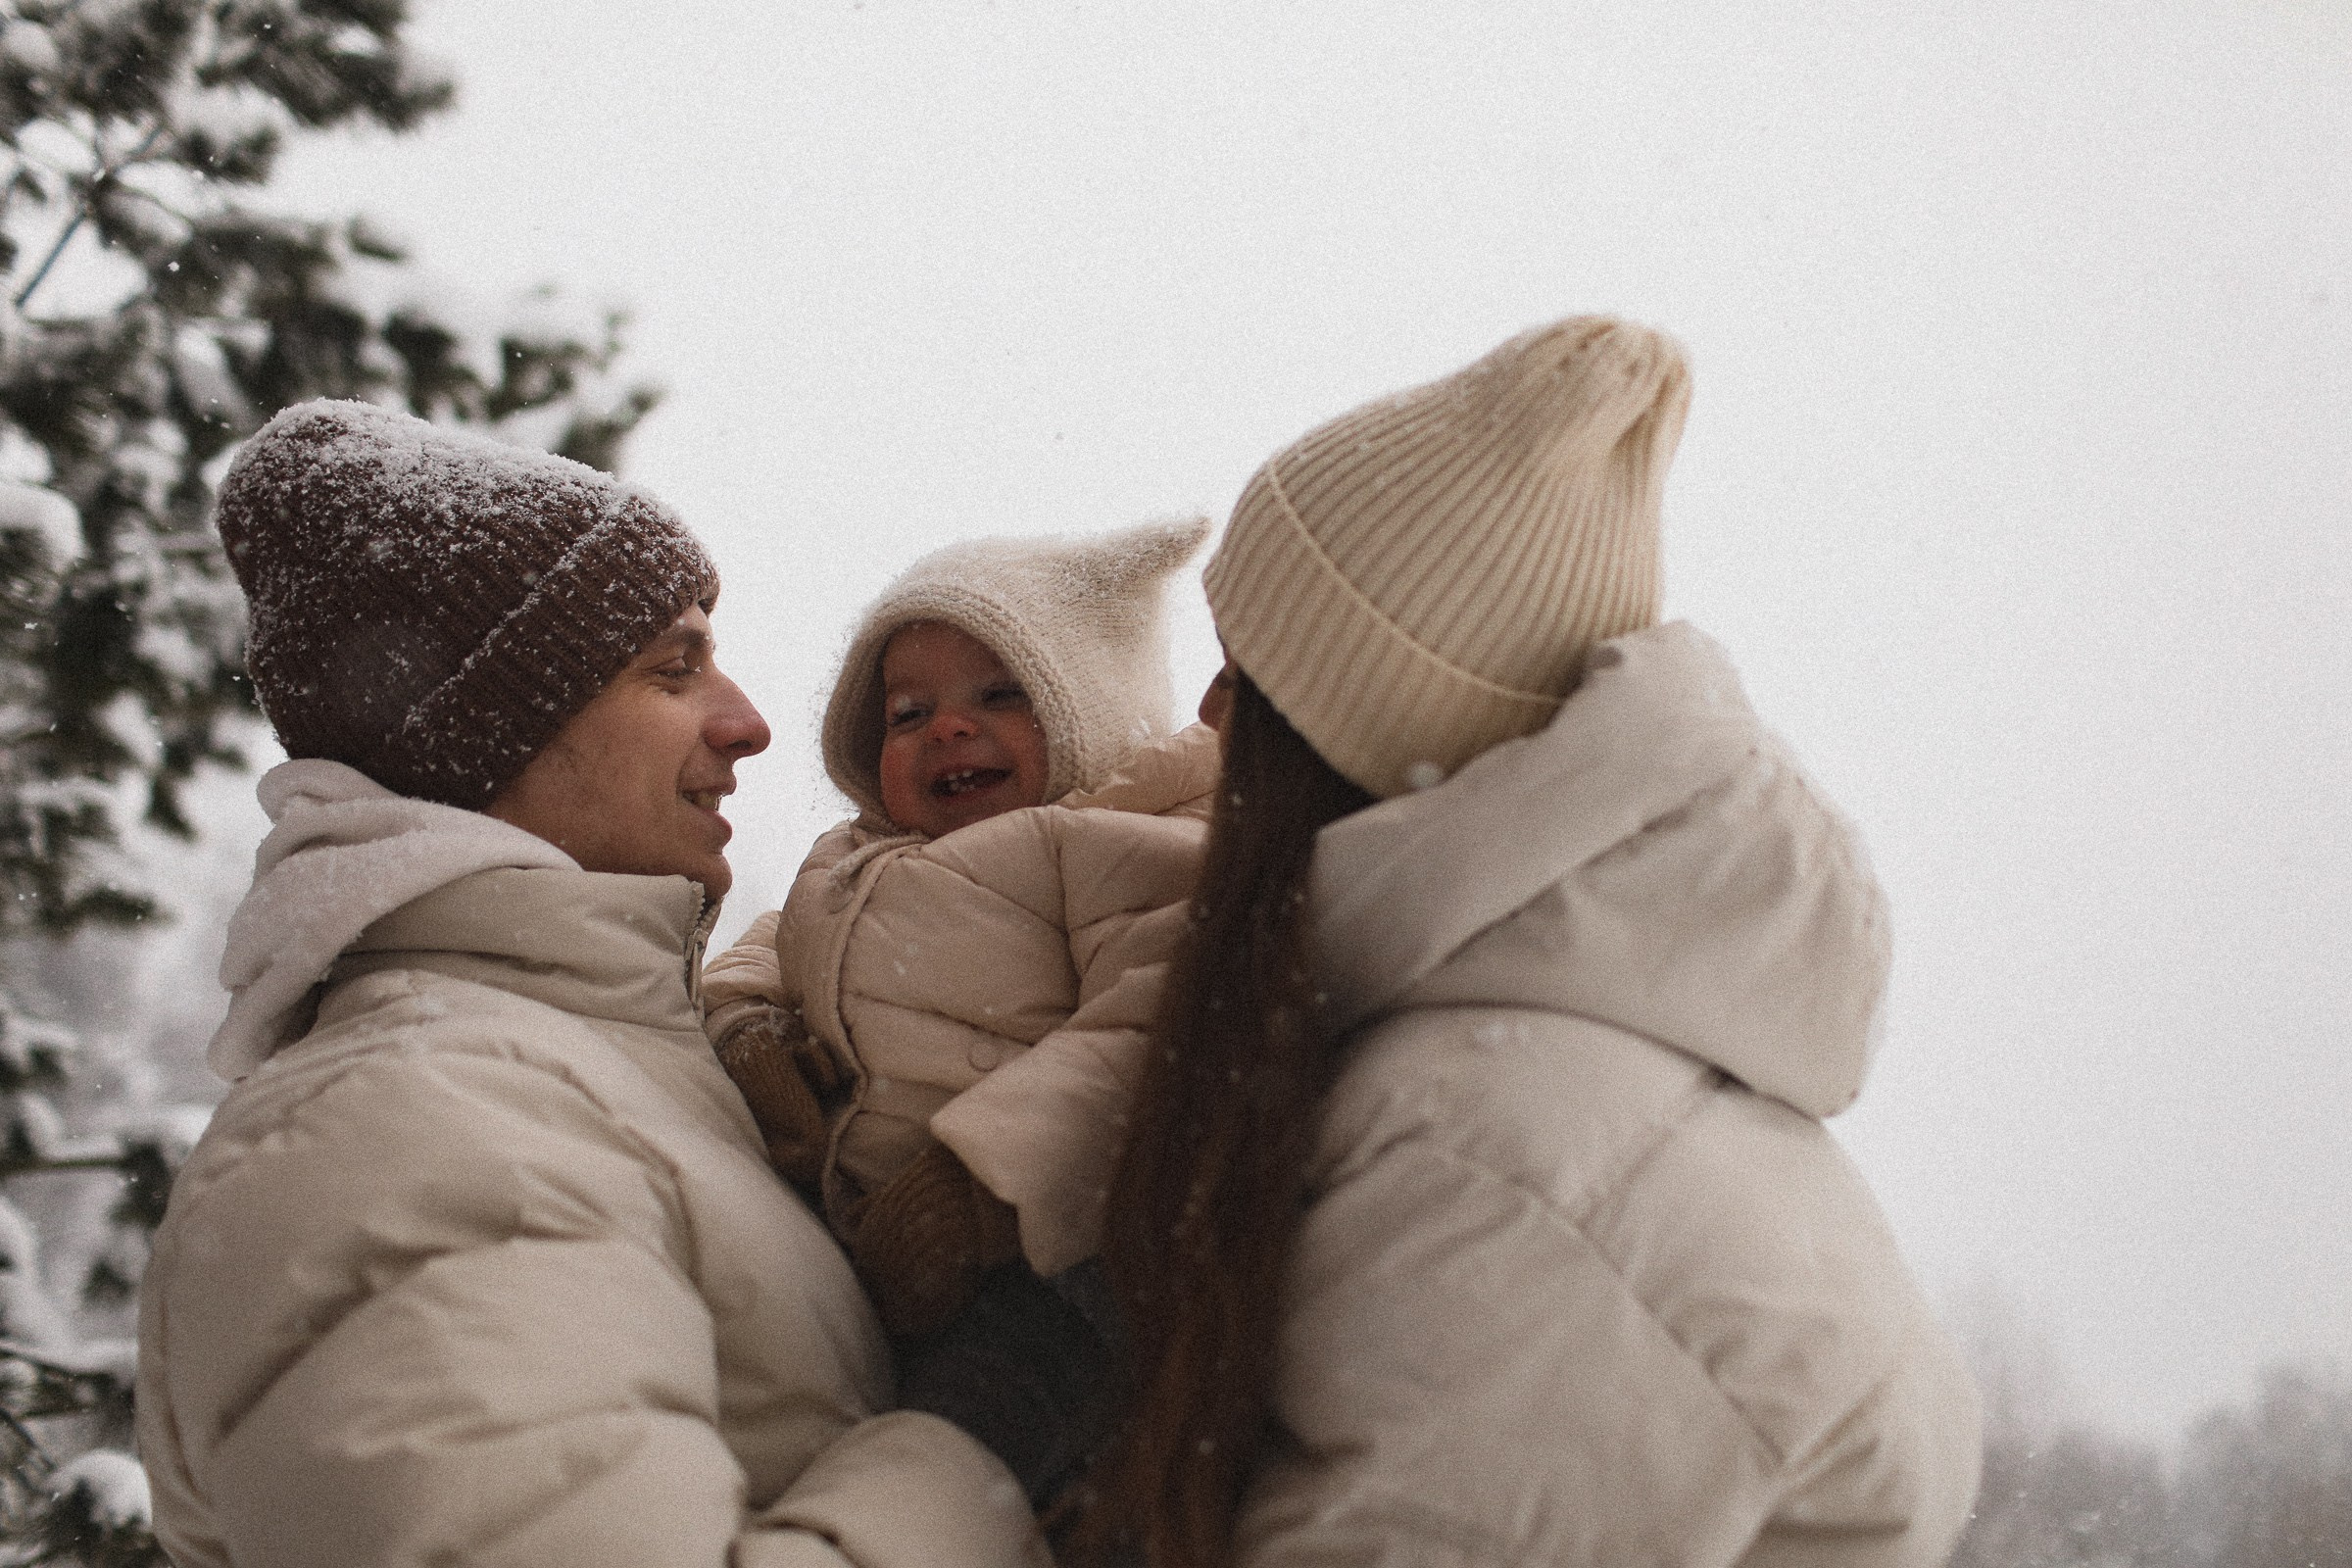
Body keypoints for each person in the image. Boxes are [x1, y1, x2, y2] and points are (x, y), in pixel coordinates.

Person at [1073, 318, 1985, 1566]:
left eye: (1247, 671)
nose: (1205, 712)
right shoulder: (1570, 1075)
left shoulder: (1498, 1165)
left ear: (1352, 737)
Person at [133, 401, 1050, 1568]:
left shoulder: (617, 1092)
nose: (750, 722)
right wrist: (981, 1444)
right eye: (674, 669)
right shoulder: (401, 1130)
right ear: (487, 735)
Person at [701, 520, 1216, 1501]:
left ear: (1091, 709)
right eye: (907, 710)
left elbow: (1150, 1032)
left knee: (957, 1449)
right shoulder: (848, 858)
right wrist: (749, 1028)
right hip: (871, 1243)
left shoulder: (1117, 842)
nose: (946, 727)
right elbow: (765, 950)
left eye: (999, 694)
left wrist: (981, 1184)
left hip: (1056, 1260)